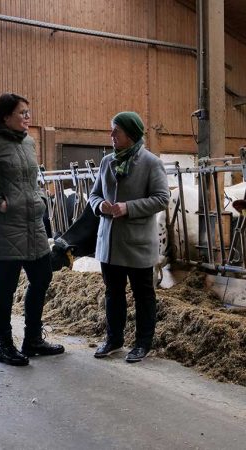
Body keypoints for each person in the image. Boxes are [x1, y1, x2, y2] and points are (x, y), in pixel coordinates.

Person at [0, 93, 64, 366]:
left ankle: (32, 339)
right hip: (4, 227)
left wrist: (40, 196)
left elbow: (31, 179)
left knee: (42, 278)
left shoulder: (29, 142)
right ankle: (4, 346)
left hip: (33, 225)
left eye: (28, 113)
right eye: (22, 113)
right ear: (5, 116)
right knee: (6, 287)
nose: (28, 117)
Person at [89, 111, 169, 363]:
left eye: (116, 131)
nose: (111, 136)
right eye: (111, 130)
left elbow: (161, 198)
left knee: (143, 294)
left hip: (137, 243)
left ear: (131, 134)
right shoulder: (107, 162)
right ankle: (114, 339)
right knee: (113, 292)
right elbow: (93, 195)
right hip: (109, 243)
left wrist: (128, 208)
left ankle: (143, 343)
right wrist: (100, 206)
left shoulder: (150, 163)